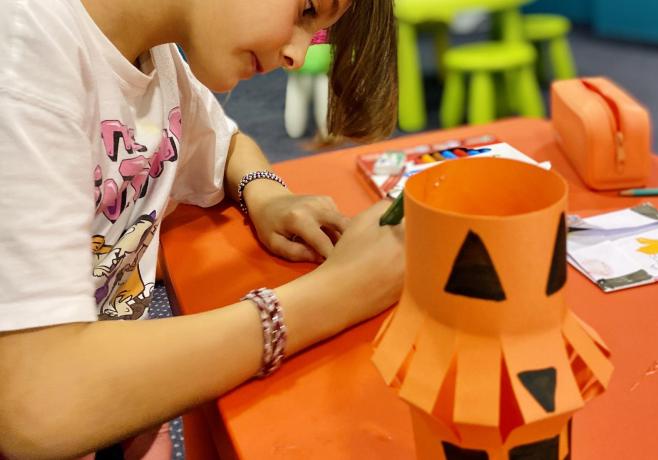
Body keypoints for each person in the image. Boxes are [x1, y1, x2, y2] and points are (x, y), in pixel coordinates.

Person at [0, 0, 403, 458]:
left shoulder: (156, 58)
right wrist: (340, 293)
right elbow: (37, 406)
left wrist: (266, 192)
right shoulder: (24, 61)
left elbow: (227, 142)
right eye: (307, 9)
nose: (297, 55)